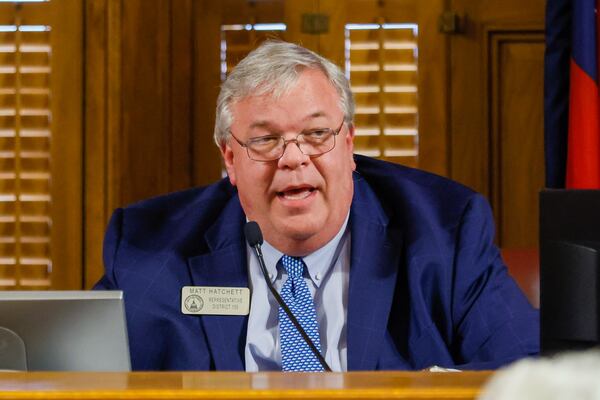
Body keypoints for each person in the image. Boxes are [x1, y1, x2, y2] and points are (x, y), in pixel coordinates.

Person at [95, 40, 539, 371]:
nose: (293, 157)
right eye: (265, 140)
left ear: (348, 143)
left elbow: (524, 371)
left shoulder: (444, 231)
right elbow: (71, 374)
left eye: (315, 134)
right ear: (230, 158)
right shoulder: (147, 246)